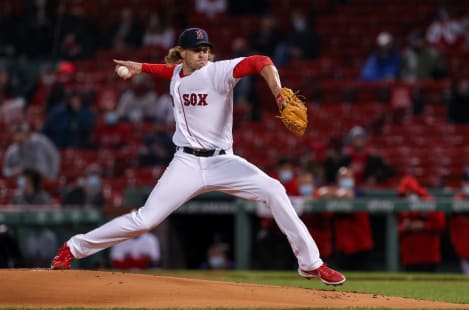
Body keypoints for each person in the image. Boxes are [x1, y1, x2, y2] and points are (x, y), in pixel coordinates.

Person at [51, 27, 345, 286]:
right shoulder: (178, 71)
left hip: (222, 162)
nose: (203, 54)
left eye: (206, 49)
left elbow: (261, 62)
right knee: (144, 220)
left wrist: (278, 92)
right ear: (182, 52)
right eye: (197, 50)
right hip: (186, 163)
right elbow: (172, 72)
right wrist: (141, 67)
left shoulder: (218, 71)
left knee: (274, 190)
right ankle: (72, 249)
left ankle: (311, 263)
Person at [317, 167, 374, 270]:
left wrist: (334, 193)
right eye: (343, 177)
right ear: (338, 180)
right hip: (342, 246)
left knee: (363, 276)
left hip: (361, 244)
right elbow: (321, 194)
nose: (346, 179)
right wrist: (334, 193)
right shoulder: (336, 192)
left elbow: (348, 195)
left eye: (348, 176)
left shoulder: (359, 191)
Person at [397, 176, 446, 272]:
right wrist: (405, 227)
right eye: (405, 192)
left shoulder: (428, 201)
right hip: (409, 254)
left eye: (409, 192)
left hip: (428, 254)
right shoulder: (401, 203)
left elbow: (441, 225)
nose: (407, 195)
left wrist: (423, 225)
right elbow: (395, 228)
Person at [450, 166, 469, 275]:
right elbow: (454, 229)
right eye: (467, 182)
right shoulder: (458, 200)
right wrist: (459, 248)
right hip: (466, 254)